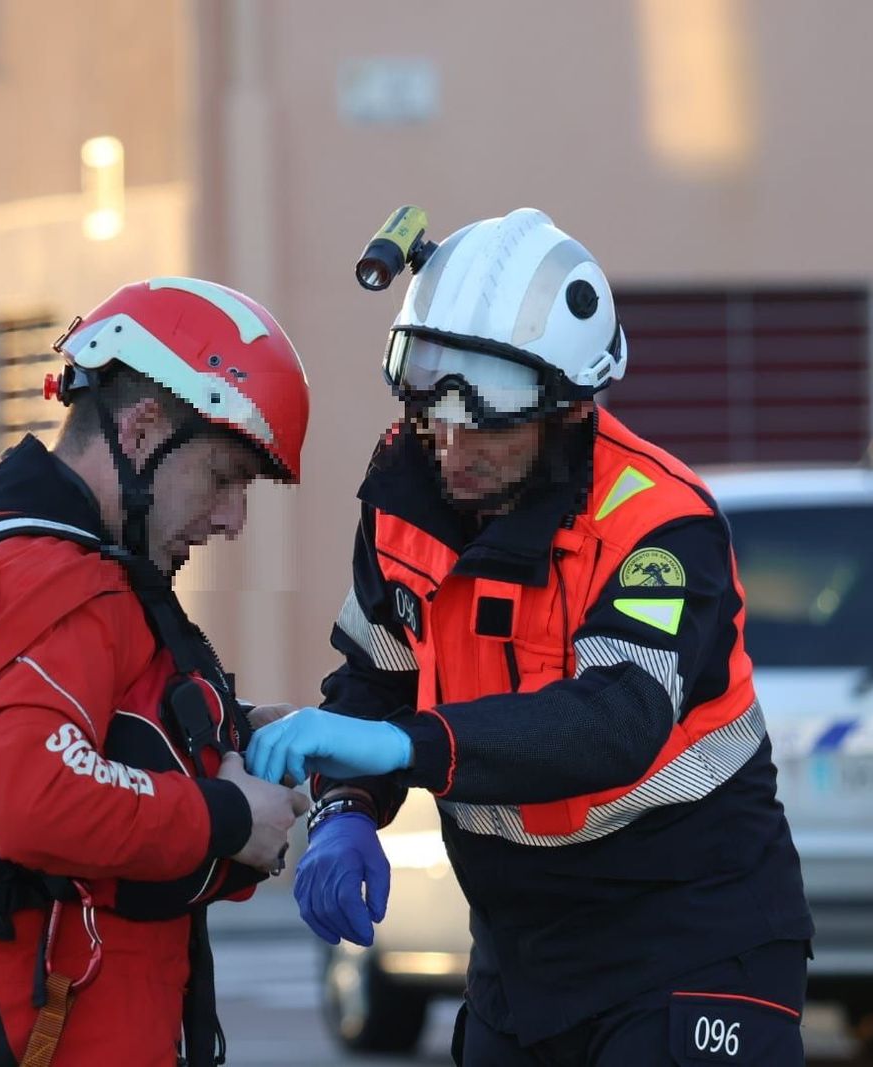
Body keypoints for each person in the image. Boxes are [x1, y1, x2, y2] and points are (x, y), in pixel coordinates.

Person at [247, 209, 814, 1065]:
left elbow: (611, 722)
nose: (454, 444)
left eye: (492, 422)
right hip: (521, 951)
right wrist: (346, 809)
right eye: (433, 408)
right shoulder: (408, 496)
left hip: (693, 930)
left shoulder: (658, 526)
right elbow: (375, 679)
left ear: (565, 412)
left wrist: (399, 745)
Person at [0, 278, 311, 1067]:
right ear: (145, 426)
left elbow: (77, 729)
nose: (232, 519)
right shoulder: (45, 578)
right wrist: (226, 815)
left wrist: (239, 730)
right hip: (41, 1021)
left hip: (21, 1010)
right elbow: (36, 797)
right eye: (224, 476)